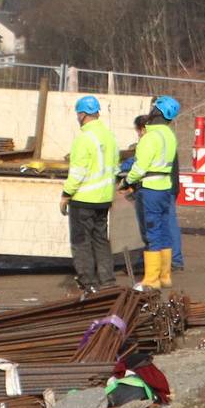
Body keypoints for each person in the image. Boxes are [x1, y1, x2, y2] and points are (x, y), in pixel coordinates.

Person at [121, 95, 182, 290]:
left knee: (152, 231)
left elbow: (140, 167)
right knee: (164, 232)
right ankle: (165, 276)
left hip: (151, 190)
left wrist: (127, 181)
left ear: (156, 112)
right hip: (165, 188)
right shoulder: (170, 136)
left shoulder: (150, 137)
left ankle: (151, 279)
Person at [62, 95, 120, 291]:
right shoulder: (110, 137)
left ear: (83, 114)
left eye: (78, 113)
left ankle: (88, 282)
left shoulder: (84, 139)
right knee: (101, 240)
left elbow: (77, 172)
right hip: (103, 199)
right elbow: (114, 167)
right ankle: (107, 280)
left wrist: (66, 194)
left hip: (83, 199)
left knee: (81, 242)